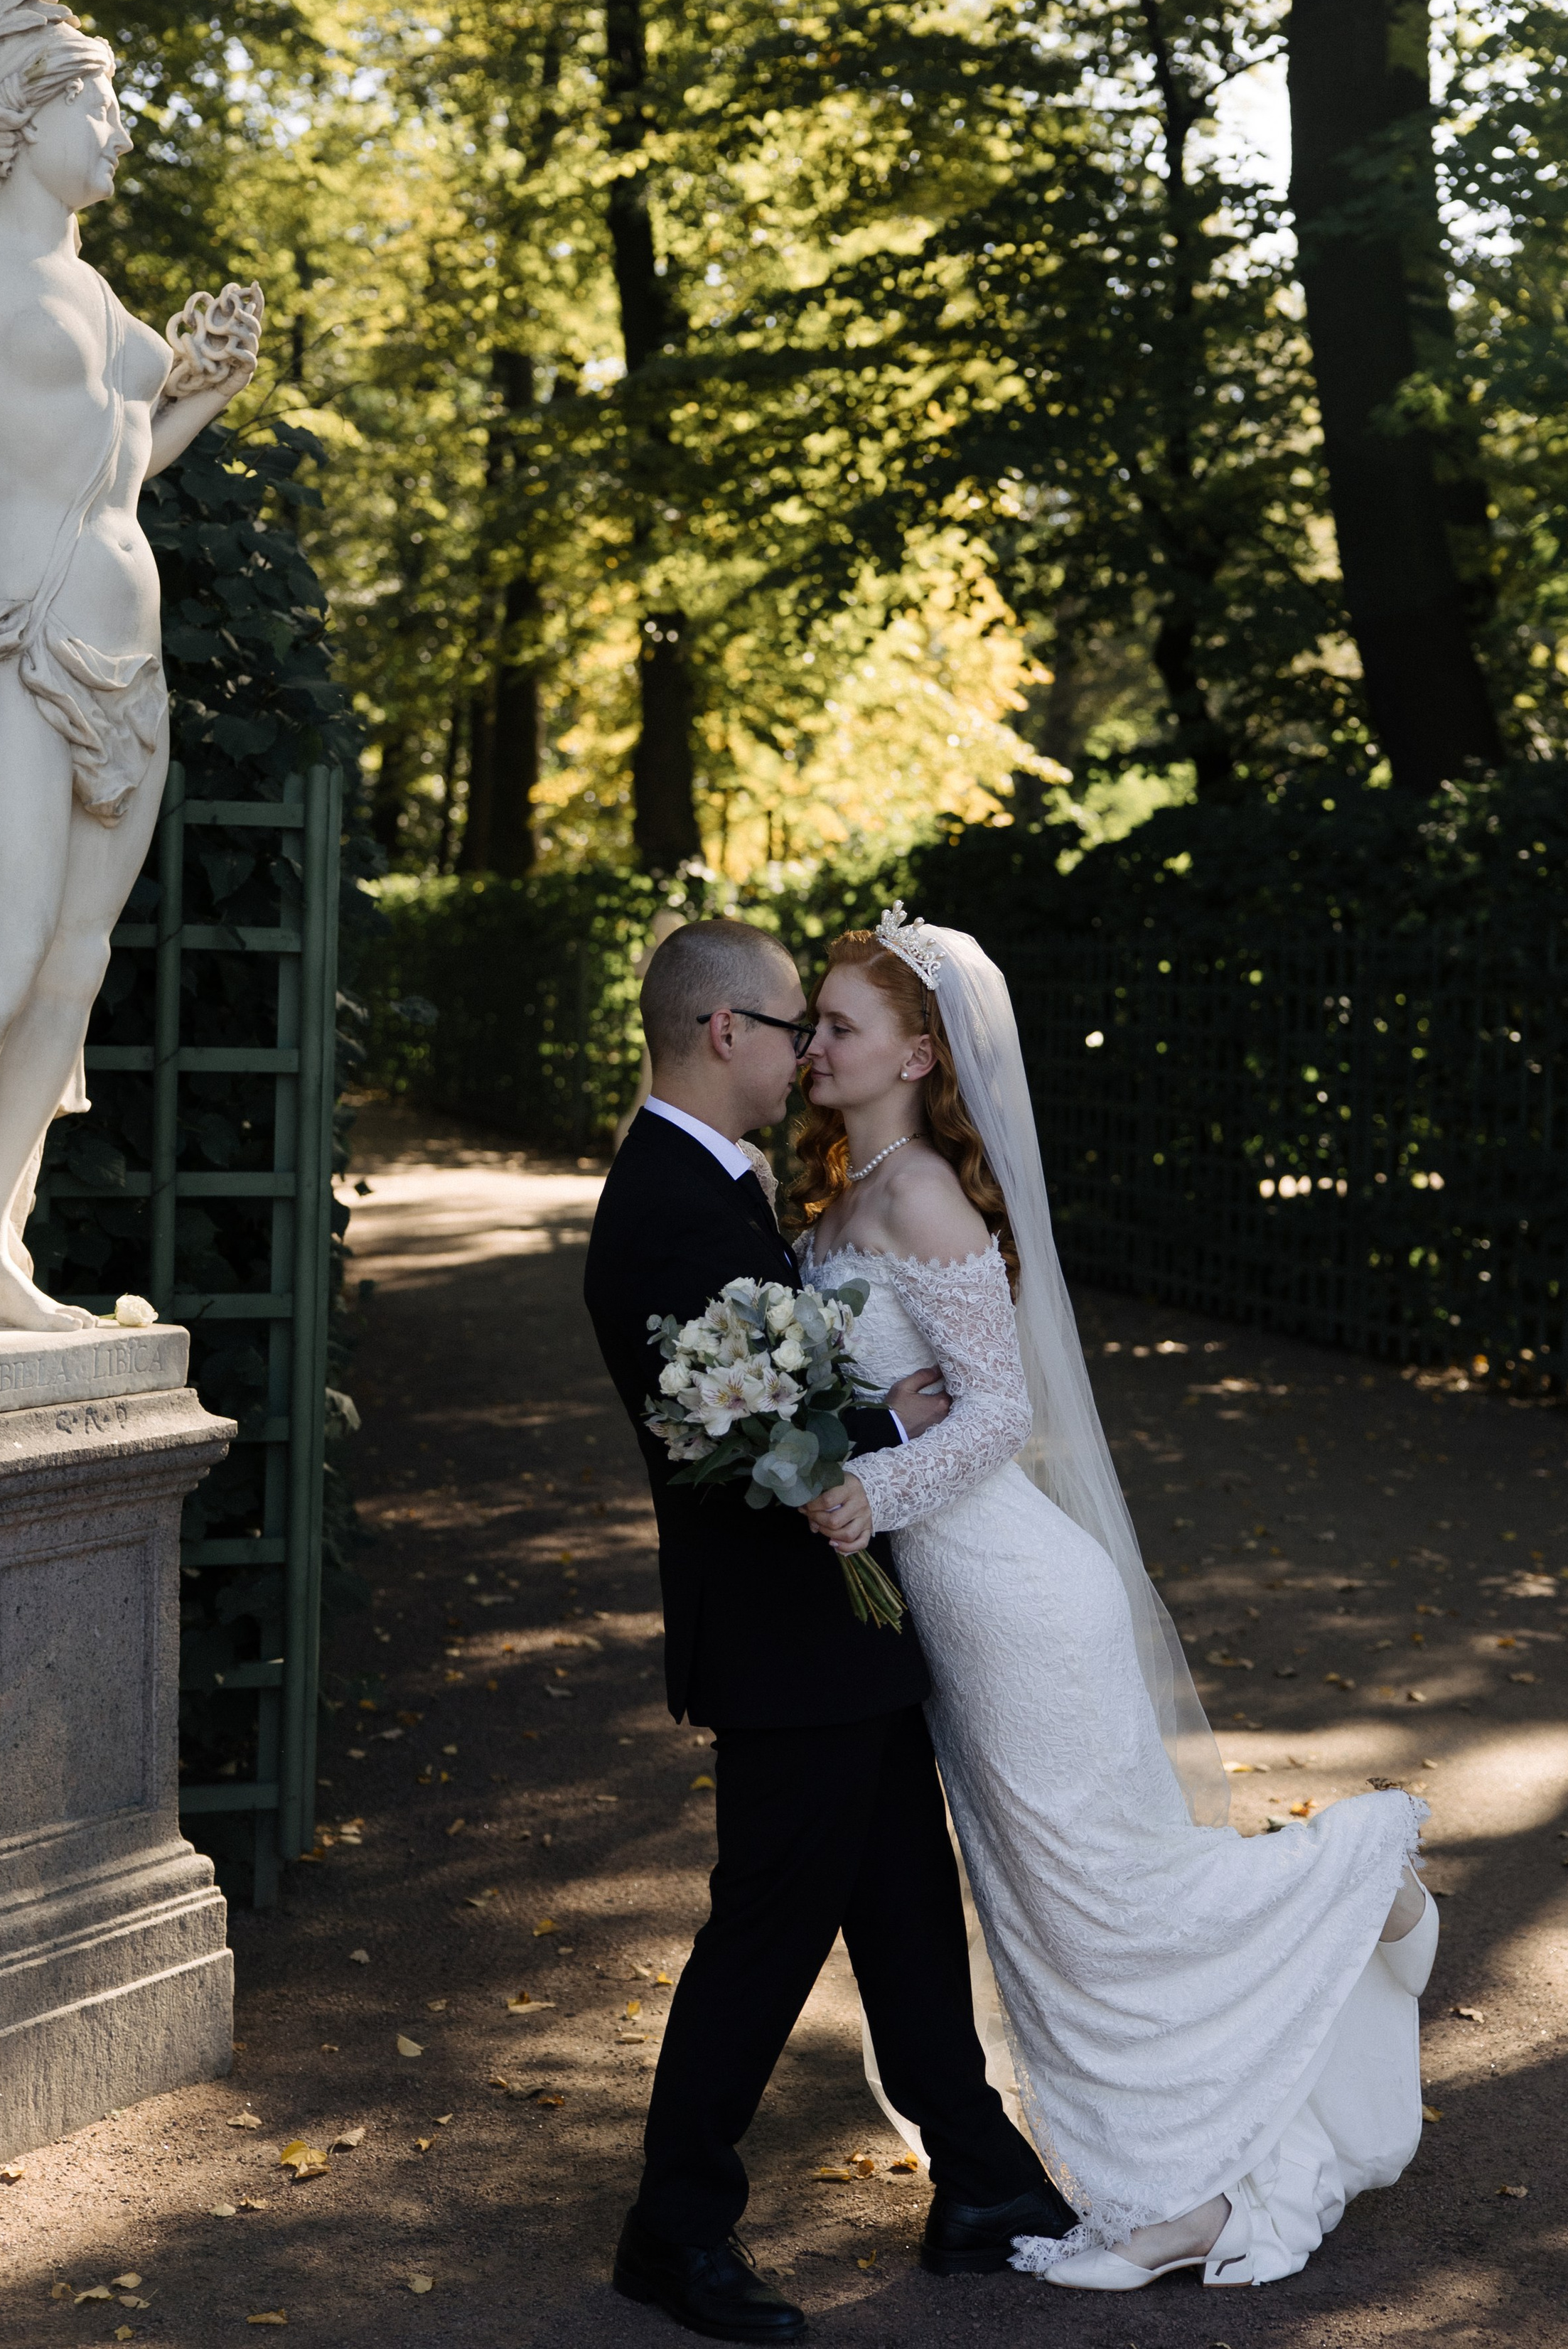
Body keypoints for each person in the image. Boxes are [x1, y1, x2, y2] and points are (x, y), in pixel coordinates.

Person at [795, 905, 1437, 2291]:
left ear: (916, 1052)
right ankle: (1166, 2172)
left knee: (1105, 1895)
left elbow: (999, 1413)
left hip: (1015, 1595)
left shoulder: (917, 1195)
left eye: (839, 1025)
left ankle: (1348, 1883)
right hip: (949, 1616)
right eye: (815, 1021)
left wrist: (870, 1490)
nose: (812, 1047)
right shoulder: (844, 1195)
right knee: (1042, 1909)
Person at [583, 914, 1074, 2344]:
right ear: (723, 1031)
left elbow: (776, 1400)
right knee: (765, 1934)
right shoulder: (665, 1207)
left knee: (905, 1908)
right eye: (792, 1022)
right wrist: (892, 1417)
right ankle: (670, 2234)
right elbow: (726, 1436)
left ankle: (978, 2180)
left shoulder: (716, 1185)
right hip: (782, 1641)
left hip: (835, 1628)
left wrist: (880, 1424)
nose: (806, 1046)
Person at [0, 0, 260, 1347]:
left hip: (122, 671)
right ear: (18, 112)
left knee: (69, 968)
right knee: (1, 945)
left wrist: (199, 388)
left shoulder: (96, 295)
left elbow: (119, 476)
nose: (118, 132)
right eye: (96, 103)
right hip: (12, 651)